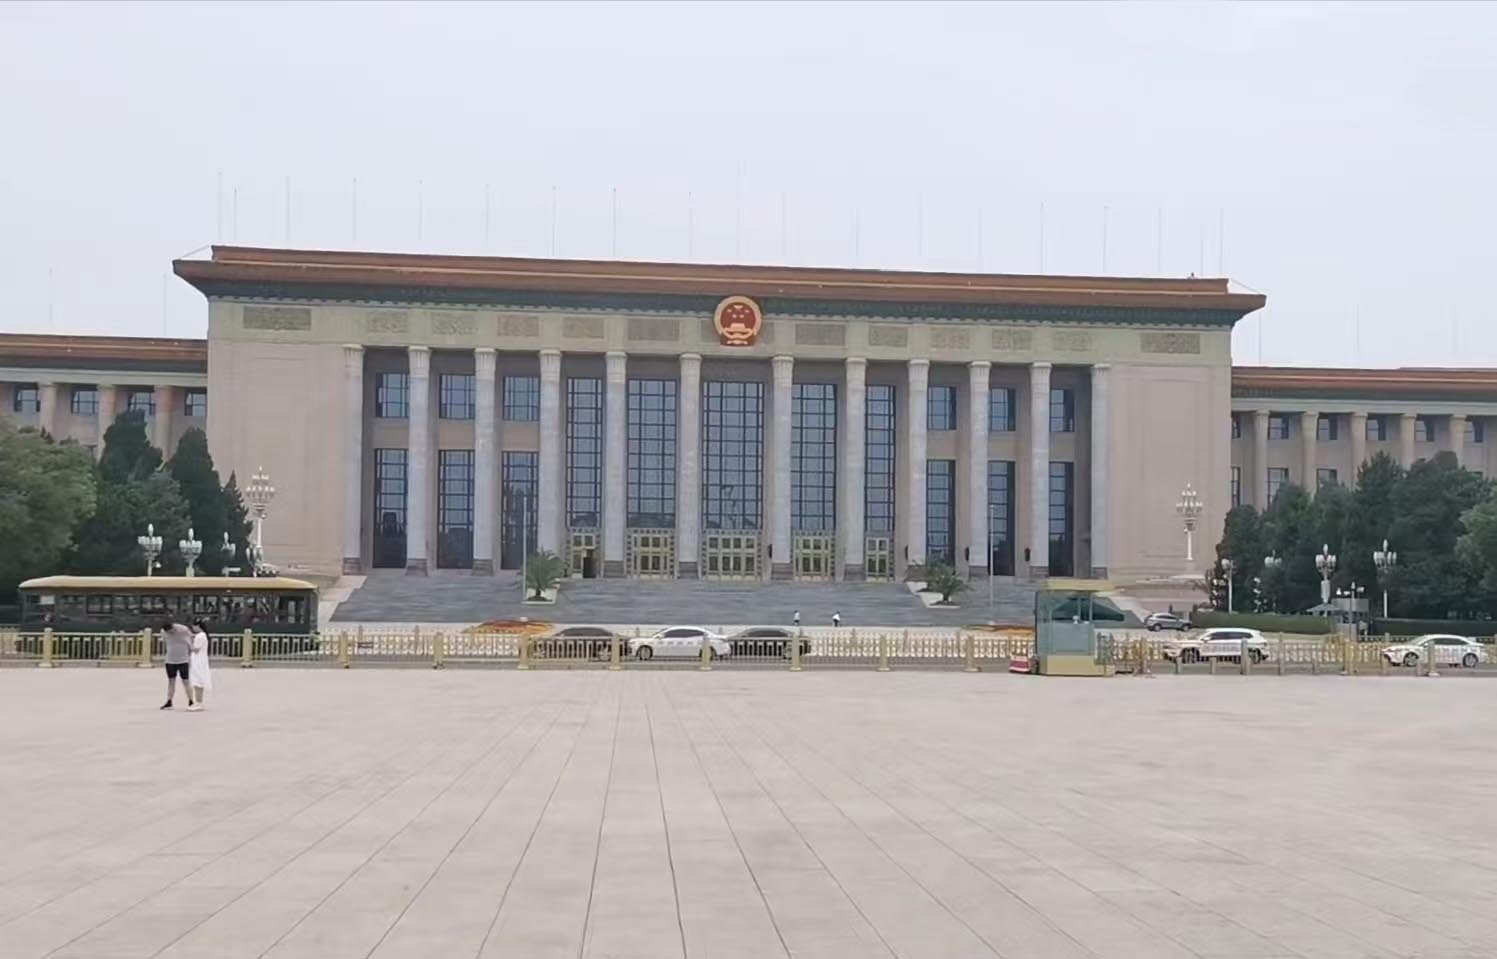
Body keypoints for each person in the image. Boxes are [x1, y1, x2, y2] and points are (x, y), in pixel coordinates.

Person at [160, 618, 194, 710]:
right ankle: (169, 701)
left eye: (171, 630)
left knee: (186, 681)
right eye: (168, 632)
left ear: (173, 627)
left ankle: (191, 700)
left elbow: (191, 638)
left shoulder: (183, 629)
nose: (170, 632)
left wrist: (191, 651)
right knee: (171, 681)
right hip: (170, 660)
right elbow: (165, 641)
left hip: (183, 659)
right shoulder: (163, 632)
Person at [187, 619, 213, 711]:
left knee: (197, 682)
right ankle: (198, 702)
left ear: (198, 626)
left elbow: (195, 649)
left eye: (194, 626)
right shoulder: (202, 635)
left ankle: (198, 702)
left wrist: (189, 643)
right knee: (198, 682)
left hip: (198, 662)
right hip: (199, 661)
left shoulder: (200, 636)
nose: (193, 628)